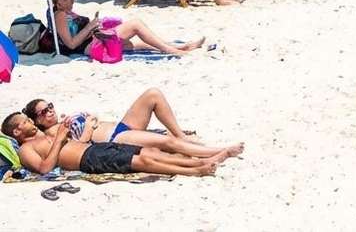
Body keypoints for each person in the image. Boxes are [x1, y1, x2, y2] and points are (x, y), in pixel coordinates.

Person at [22, 92, 238, 161]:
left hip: (122, 126)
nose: (49, 111)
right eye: (43, 112)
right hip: (114, 140)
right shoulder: (52, 133)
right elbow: (79, 148)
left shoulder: (62, 120)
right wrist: (88, 126)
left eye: (49, 106)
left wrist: (91, 117)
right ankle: (217, 151)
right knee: (166, 141)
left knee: (153, 94)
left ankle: (182, 136)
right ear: (38, 121)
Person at [3, 113, 225, 178]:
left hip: (94, 148)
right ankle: (196, 170)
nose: (30, 121)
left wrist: (70, 131)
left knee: (149, 152)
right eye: (25, 121)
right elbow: (44, 168)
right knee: (144, 161)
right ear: (17, 131)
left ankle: (200, 160)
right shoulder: (25, 150)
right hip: (89, 160)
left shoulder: (47, 133)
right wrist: (60, 141)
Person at [48, 0, 204, 56]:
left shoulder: (66, 12)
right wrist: (90, 26)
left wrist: (95, 25)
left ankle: (183, 46)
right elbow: (71, 44)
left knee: (141, 44)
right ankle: (175, 51)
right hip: (90, 45)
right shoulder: (60, 15)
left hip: (96, 38)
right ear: (59, 2)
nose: (73, 1)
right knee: (136, 24)